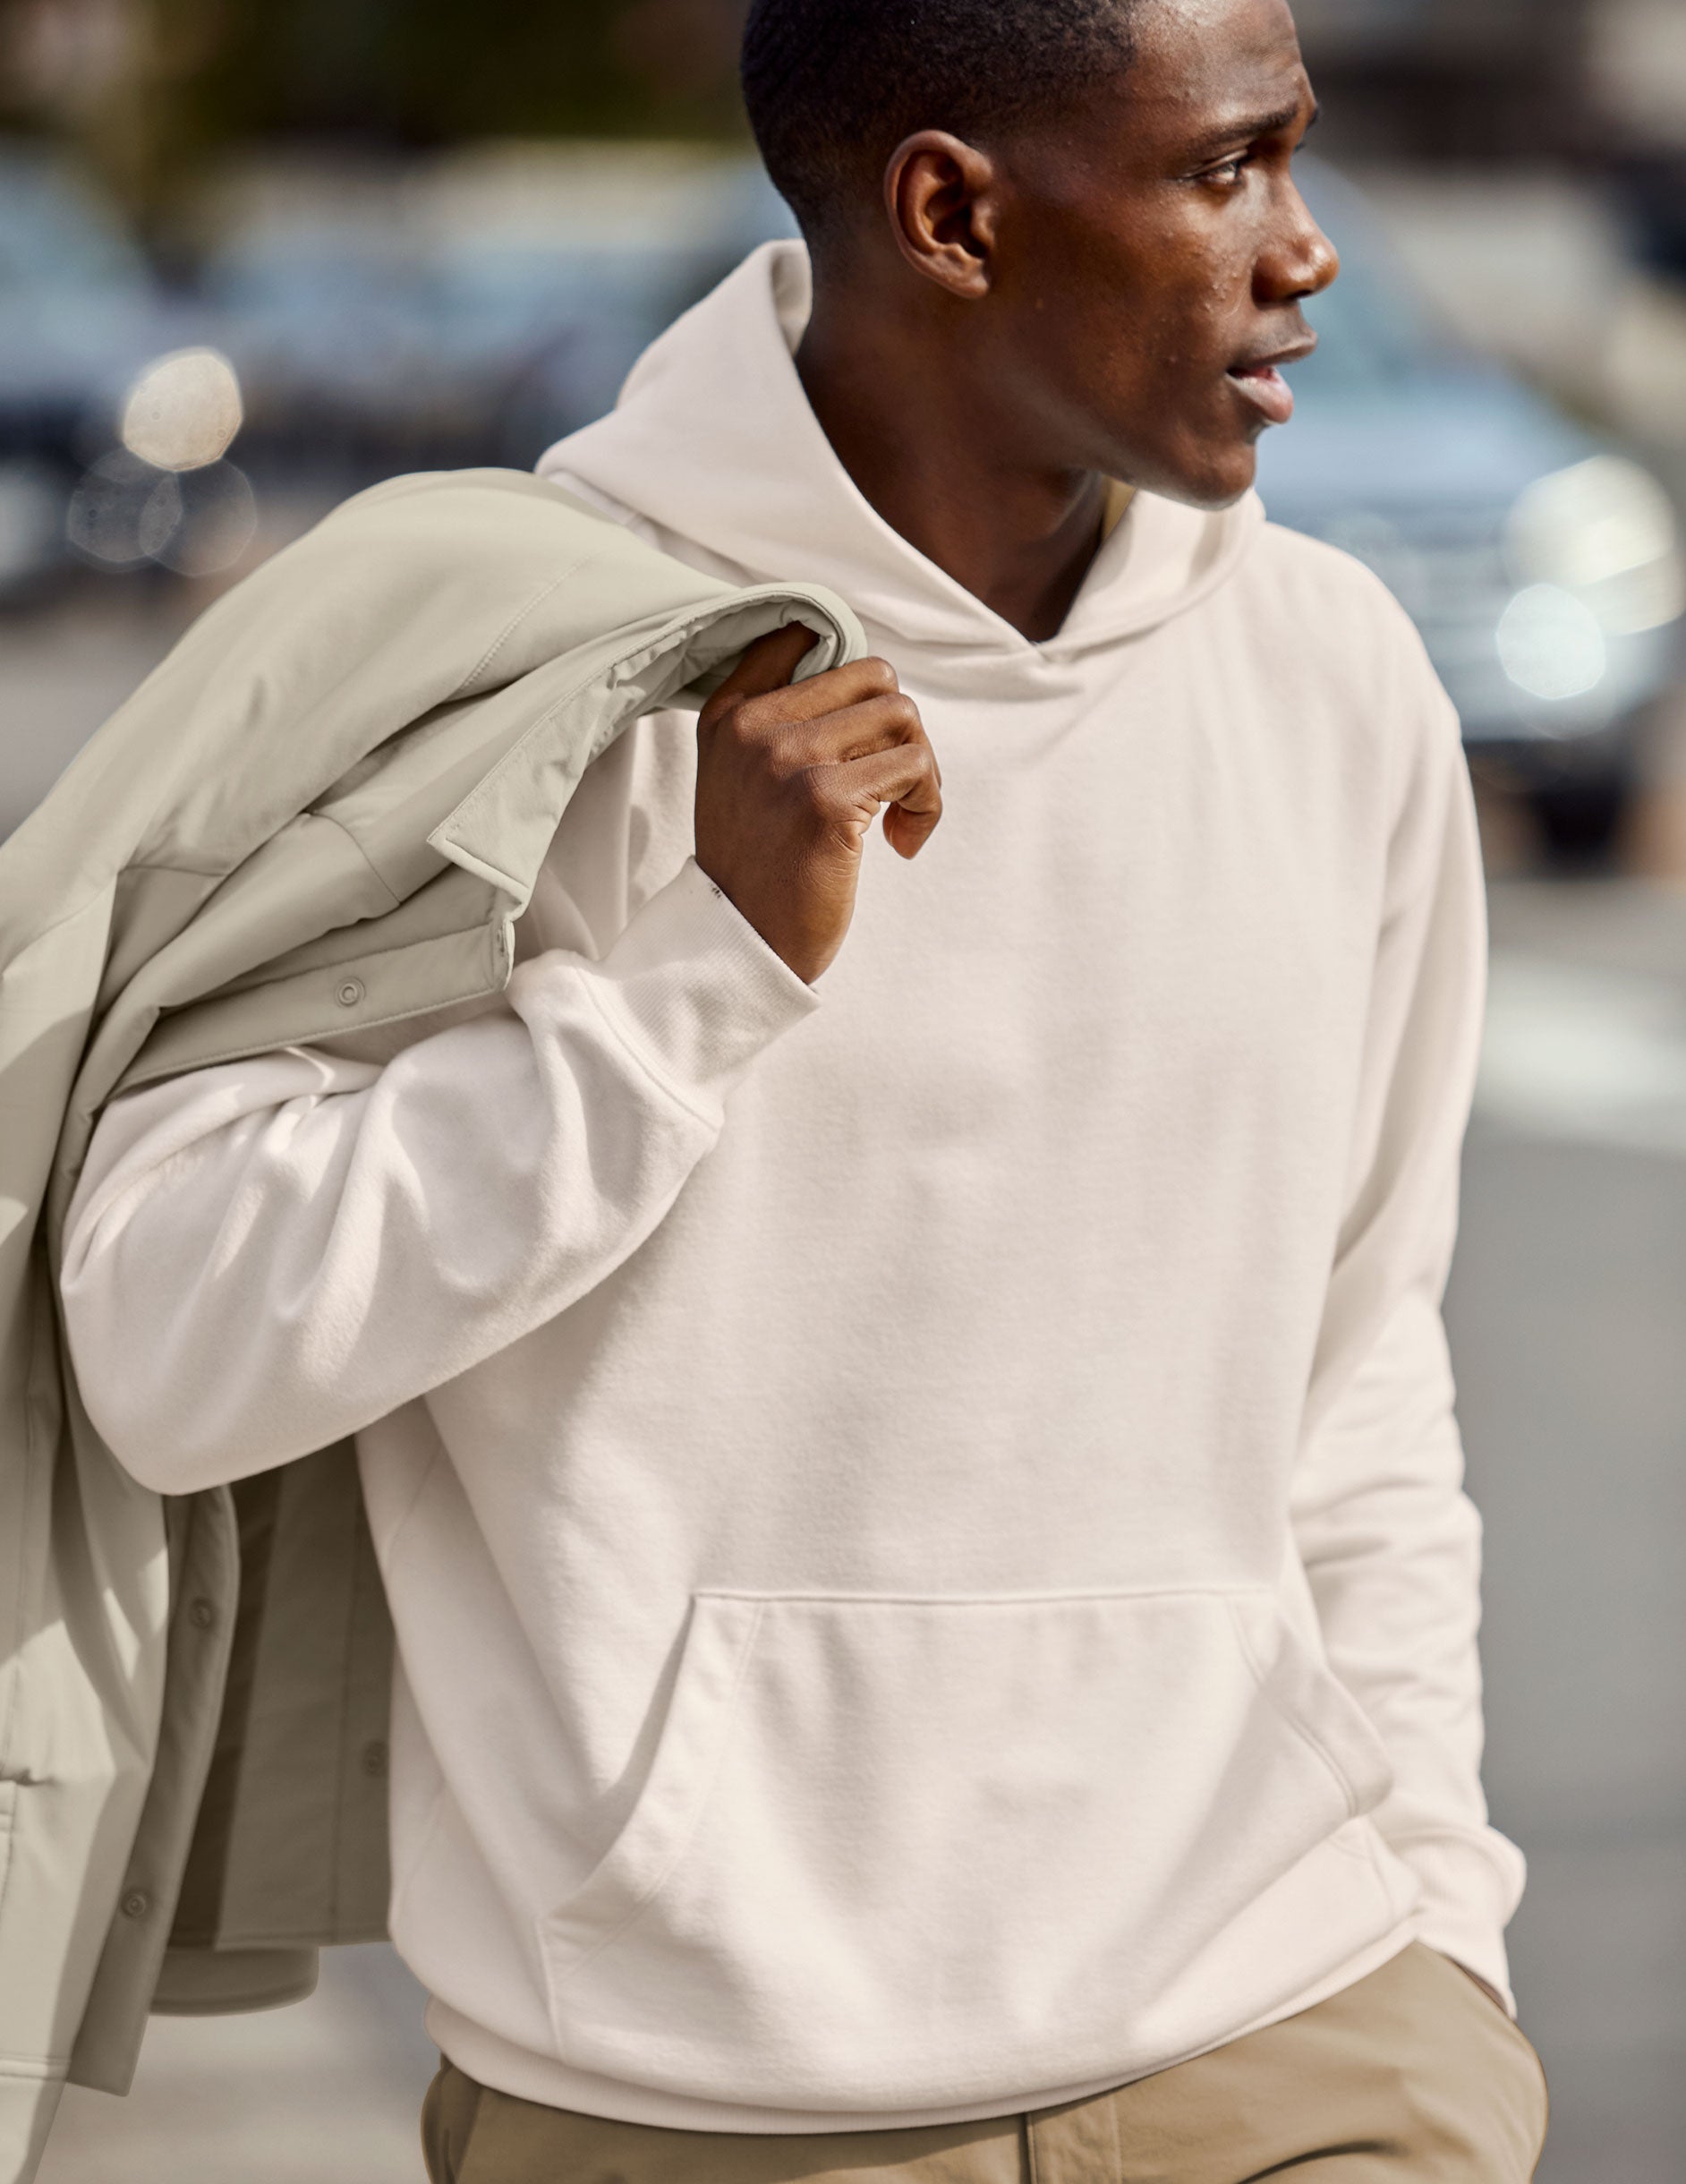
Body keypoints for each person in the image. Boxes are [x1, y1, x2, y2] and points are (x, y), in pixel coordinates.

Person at [58, 0, 1548, 2176]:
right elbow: (166, 1339)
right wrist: (692, 984)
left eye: (1295, 156)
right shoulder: (507, 675)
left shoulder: (1337, 680)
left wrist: (1449, 1928)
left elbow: (1359, 1377)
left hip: (1296, 2028)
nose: (1306, 247)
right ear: (951, 211)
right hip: (694, 2105)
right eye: (1227, 169)